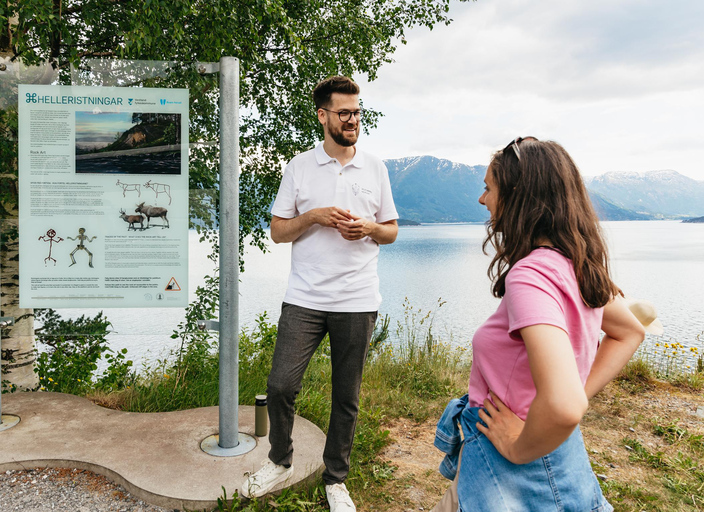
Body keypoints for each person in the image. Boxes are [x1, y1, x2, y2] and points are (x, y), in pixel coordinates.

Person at [431, 137, 647, 512]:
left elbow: (564, 406)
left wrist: (520, 444)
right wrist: (571, 396)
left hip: (518, 462)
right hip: (541, 449)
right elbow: (630, 331)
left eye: (488, 188)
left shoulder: (530, 276)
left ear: (518, 196)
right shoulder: (574, 263)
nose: (482, 199)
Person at [241, 76, 399, 511]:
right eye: (344, 112)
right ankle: (280, 460)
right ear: (323, 115)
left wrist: (367, 228)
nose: (353, 120)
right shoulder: (299, 167)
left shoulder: (375, 168)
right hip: (305, 298)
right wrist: (312, 216)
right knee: (280, 384)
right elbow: (277, 232)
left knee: (345, 395)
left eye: (357, 111)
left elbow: (391, 231)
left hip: (357, 299)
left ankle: (336, 479)